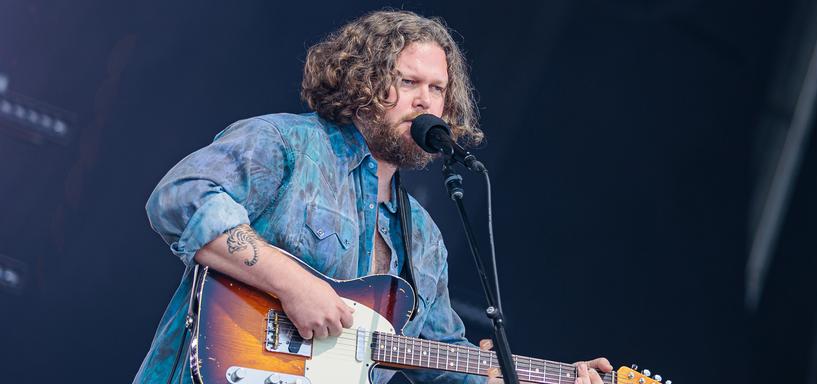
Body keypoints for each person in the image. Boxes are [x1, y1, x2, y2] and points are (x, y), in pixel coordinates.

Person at [134, 10, 611, 384]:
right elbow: (180, 198)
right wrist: (293, 284)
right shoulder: (286, 143)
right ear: (362, 79)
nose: (426, 101)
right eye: (409, 82)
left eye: (438, 89)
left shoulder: (422, 236)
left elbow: (441, 358)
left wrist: (540, 378)